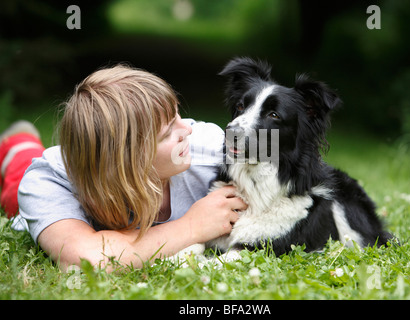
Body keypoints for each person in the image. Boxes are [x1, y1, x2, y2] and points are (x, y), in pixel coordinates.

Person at [0, 64, 247, 271]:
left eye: (177, 117)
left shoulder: (209, 147)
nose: (188, 130)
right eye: (168, 131)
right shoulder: (51, 180)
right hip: (33, 183)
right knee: (16, 187)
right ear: (129, 158)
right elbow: (86, 260)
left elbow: (279, 148)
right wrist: (192, 226)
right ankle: (20, 144)